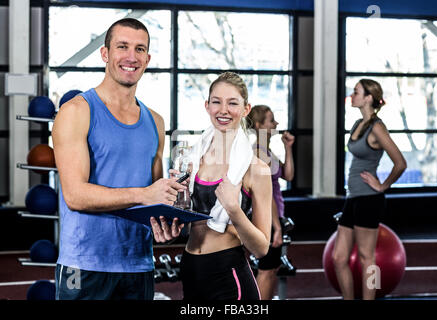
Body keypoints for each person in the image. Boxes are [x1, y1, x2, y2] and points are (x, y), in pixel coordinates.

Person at [51, 18, 186, 300]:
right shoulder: (76, 111)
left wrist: (168, 220)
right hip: (84, 264)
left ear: (147, 59)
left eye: (139, 49)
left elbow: (154, 199)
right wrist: (145, 194)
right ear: (105, 54)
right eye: (122, 46)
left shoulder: (156, 122)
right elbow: (75, 195)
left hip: (138, 263)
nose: (131, 57)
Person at [179, 72, 272, 300]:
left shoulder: (256, 169)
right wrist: (177, 203)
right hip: (191, 267)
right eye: (216, 102)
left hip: (228, 274)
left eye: (232, 103)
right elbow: (183, 227)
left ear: (245, 109)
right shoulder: (190, 160)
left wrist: (234, 210)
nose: (223, 110)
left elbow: (261, 249)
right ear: (207, 106)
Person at [332, 79, 407, 300]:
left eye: (356, 92)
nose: (352, 96)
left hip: (369, 199)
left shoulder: (377, 127)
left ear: (368, 98)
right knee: (338, 258)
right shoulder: (358, 124)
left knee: (367, 258)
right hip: (353, 197)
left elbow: (400, 163)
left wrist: (383, 185)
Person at [246, 105, 295, 300]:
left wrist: (287, 148)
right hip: (267, 216)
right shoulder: (258, 154)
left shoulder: (267, 151)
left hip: (274, 214)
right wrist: (276, 227)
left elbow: (289, 175)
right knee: (266, 270)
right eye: (271, 120)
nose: (276, 123)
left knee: (271, 269)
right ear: (259, 125)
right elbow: (263, 196)